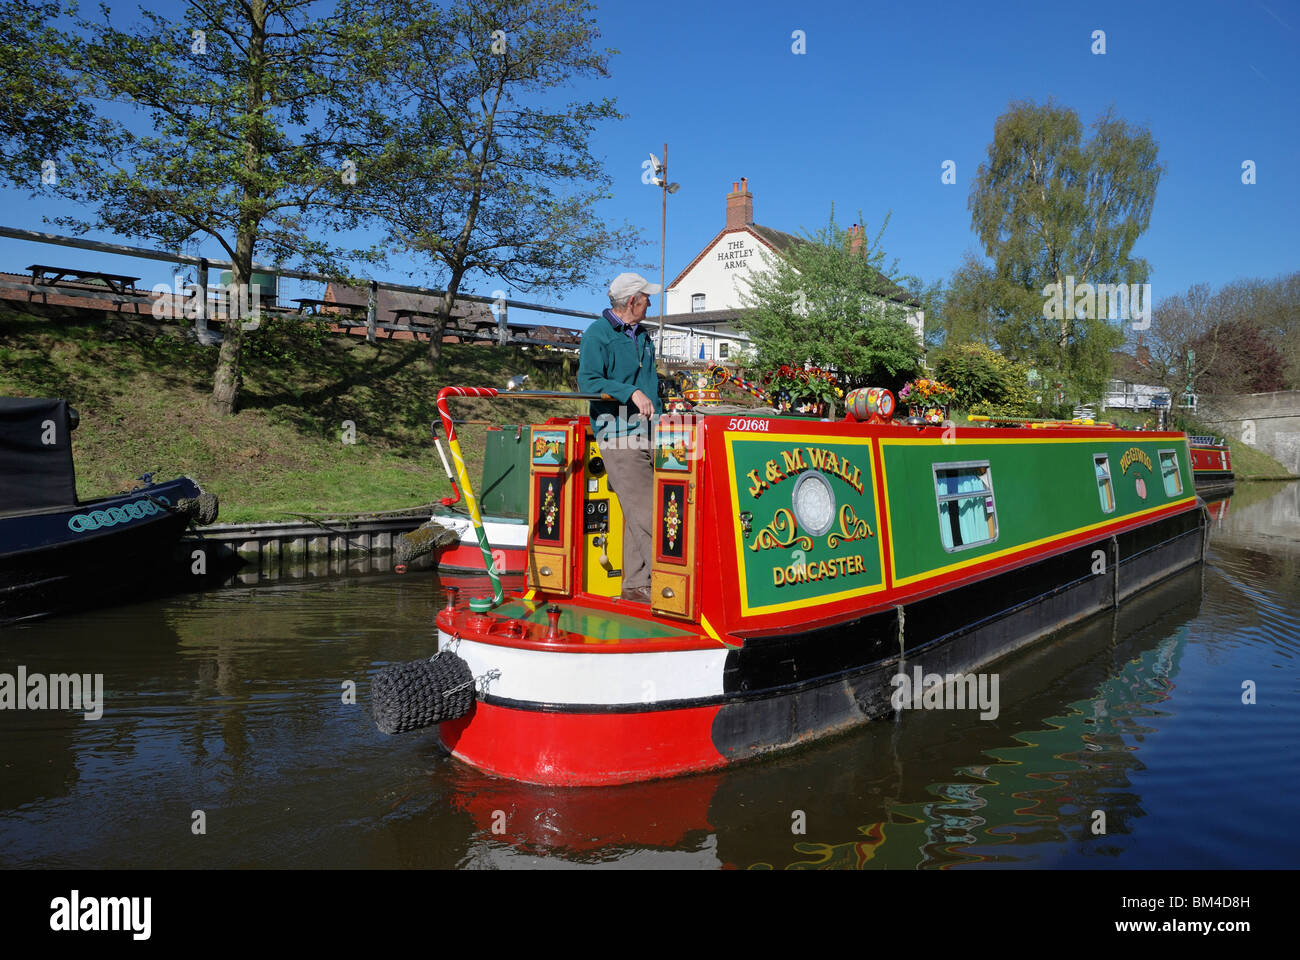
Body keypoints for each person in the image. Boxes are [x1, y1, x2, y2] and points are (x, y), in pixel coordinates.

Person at [577, 272, 664, 603]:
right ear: (632, 302)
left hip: (648, 432)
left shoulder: (642, 336)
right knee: (652, 512)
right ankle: (676, 582)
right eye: (646, 298)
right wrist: (630, 392)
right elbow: (588, 382)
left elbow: (650, 386)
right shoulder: (598, 335)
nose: (650, 303)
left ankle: (636, 585)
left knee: (636, 510)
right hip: (617, 434)